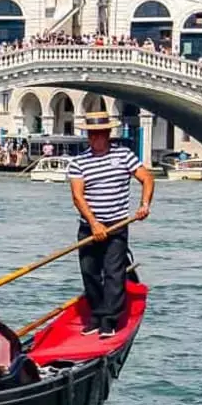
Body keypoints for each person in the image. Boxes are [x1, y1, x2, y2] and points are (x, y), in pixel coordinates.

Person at [68, 111, 154, 338]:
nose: (95, 138)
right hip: (89, 226)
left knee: (114, 272)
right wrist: (94, 223)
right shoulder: (78, 162)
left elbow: (147, 178)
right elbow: (78, 196)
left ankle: (109, 320)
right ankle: (96, 315)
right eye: (91, 135)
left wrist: (144, 204)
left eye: (99, 134)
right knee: (90, 272)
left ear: (107, 134)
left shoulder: (124, 155)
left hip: (117, 224)